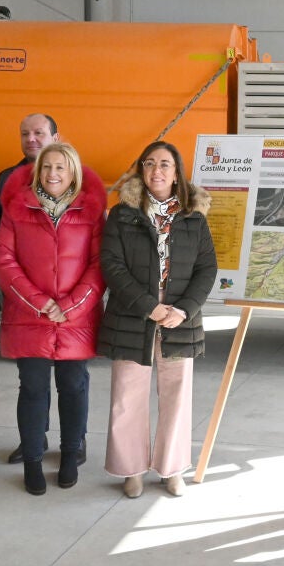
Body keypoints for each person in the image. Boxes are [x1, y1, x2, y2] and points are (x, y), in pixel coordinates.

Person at [99, 141, 216, 498]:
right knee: (127, 394)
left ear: (176, 172)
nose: (157, 171)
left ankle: (171, 468)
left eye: (165, 164)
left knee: (176, 395)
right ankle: (131, 469)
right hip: (133, 313)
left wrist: (184, 309)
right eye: (149, 163)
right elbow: (112, 266)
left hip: (179, 317)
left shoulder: (194, 216)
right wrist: (148, 306)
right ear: (142, 170)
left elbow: (206, 268)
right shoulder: (123, 214)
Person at [0, 142, 105, 495]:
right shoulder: (17, 208)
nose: (52, 174)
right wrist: (40, 302)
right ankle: (32, 461)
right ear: (37, 171)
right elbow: (4, 259)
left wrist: (70, 306)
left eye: (61, 167)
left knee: (73, 387)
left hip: (76, 319)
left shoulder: (91, 212)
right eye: (46, 167)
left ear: (73, 173)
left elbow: (99, 264)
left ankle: (70, 455)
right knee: (32, 388)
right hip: (29, 316)